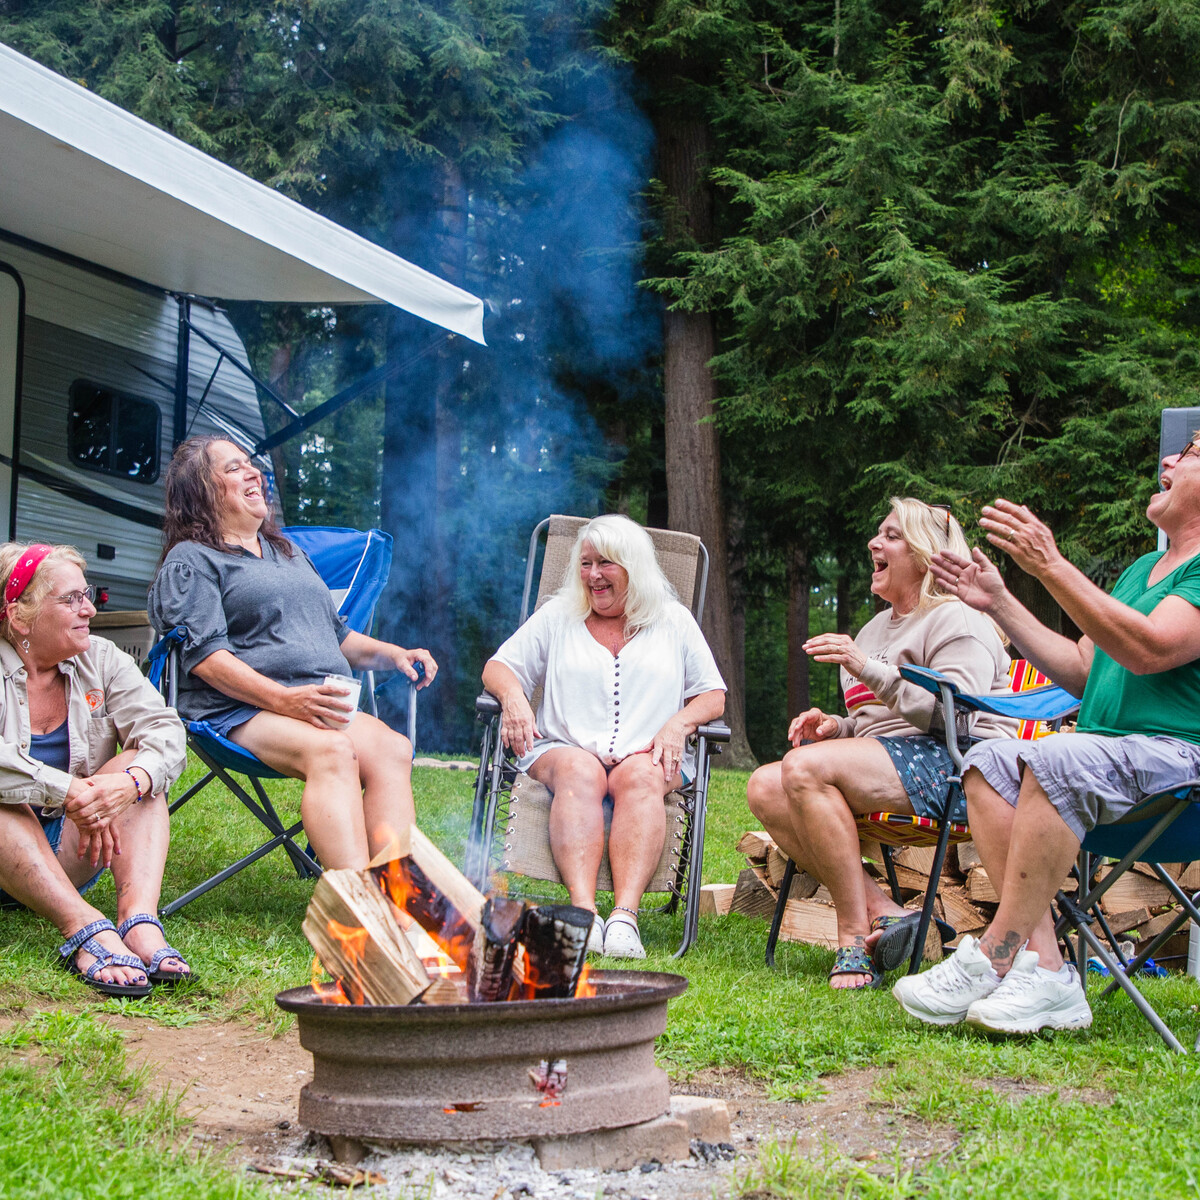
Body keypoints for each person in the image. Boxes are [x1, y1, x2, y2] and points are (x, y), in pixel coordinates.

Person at [892, 436, 1200, 1034]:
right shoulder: (1143, 570)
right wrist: (1001, 602)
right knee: (989, 761)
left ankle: (994, 953)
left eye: (1189, 453)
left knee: (1059, 756)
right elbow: (1086, 668)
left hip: (1181, 768)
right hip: (1111, 770)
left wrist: (1051, 566)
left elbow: (1151, 647)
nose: (1167, 460)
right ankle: (1049, 973)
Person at [746, 498, 1018, 990]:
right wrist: (836, 727)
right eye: (878, 533)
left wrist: (868, 668)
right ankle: (885, 911)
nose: (875, 543)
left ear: (927, 555)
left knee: (803, 769)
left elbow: (957, 717)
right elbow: (875, 721)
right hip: (894, 764)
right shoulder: (876, 628)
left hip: (958, 771)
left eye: (891, 535)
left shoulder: (957, 617)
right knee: (765, 784)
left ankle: (851, 936)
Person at [148, 437, 436, 871]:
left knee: (392, 749)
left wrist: (393, 653)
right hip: (237, 709)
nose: (252, 473)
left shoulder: (288, 553)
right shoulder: (192, 560)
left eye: (251, 465)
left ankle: (397, 890)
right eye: (232, 468)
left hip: (311, 703)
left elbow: (337, 637)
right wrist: (285, 701)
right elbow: (206, 658)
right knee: (332, 751)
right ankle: (357, 908)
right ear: (200, 490)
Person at [482, 514, 726, 959]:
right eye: (586, 563)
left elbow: (712, 695)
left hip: (649, 752)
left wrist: (677, 724)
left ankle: (624, 920)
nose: (593, 575)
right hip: (564, 748)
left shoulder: (673, 620)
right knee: (580, 770)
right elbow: (498, 668)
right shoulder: (559, 614)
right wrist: (515, 699)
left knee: (641, 777)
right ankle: (584, 914)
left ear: (633, 566)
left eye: (606, 564)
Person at [0, 542, 190, 997]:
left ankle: (139, 921)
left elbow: (164, 729)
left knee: (136, 771)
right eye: (70, 599)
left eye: (88, 594)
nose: (89, 609)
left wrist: (129, 783)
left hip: (71, 850)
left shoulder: (99, 658)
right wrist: (69, 791)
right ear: (20, 616)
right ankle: (84, 926)